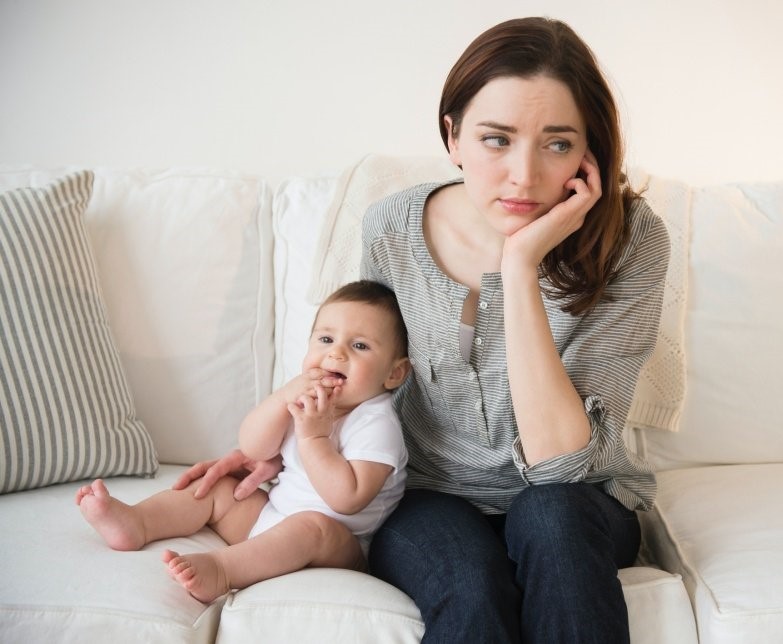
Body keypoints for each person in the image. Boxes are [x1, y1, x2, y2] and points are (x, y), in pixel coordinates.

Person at [175, 16, 670, 642]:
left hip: (578, 499)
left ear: (589, 151)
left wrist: (518, 265)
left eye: (557, 143)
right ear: (452, 136)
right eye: (496, 139)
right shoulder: (391, 229)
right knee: (469, 581)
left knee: (552, 521)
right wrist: (275, 447)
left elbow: (559, 465)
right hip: (428, 495)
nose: (523, 174)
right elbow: (359, 370)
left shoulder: (631, 240)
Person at [76, 280, 411, 603]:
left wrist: (313, 436)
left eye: (360, 346)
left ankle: (223, 569)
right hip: (272, 520)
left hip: (337, 546)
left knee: (314, 526)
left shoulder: (377, 423)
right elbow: (254, 449)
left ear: (394, 374)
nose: (336, 354)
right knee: (219, 488)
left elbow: (346, 498)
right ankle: (138, 522)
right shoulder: (305, 397)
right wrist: (282, 398)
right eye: (325, 339)